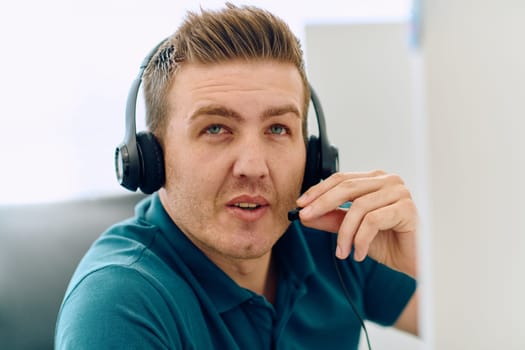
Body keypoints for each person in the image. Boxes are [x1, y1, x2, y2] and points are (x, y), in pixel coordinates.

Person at [55, 3, 418, 349]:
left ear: (313, 159)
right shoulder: (117, 305)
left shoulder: (335, 235)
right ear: (153, 157)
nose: (253, 166)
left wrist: (422, 259)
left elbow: (472, 323)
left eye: (277, 129)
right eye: (216, 128)